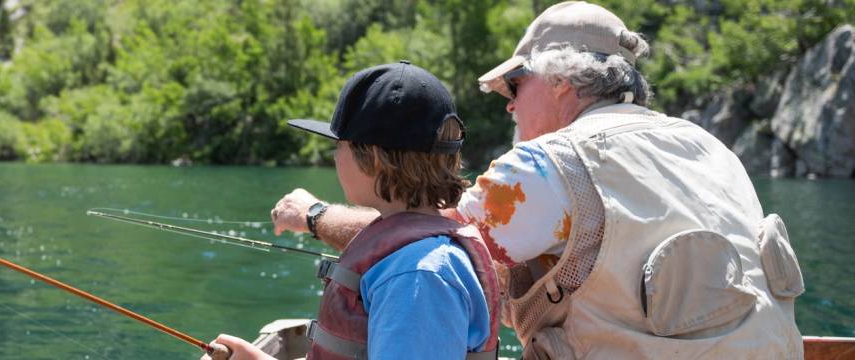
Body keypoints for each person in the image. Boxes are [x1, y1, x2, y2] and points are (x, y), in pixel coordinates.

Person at [269, 2, 806, 359]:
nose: (507, 103)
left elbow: (423, 238)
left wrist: (314, 217)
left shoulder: (550, 164)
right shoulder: (709, 145)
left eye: (514, 84)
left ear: (562, 82)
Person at [203, 61, 501, 360]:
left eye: (338, 146)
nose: (334, 157)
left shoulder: (418, 277)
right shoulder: (417, 261)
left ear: (372, 158)